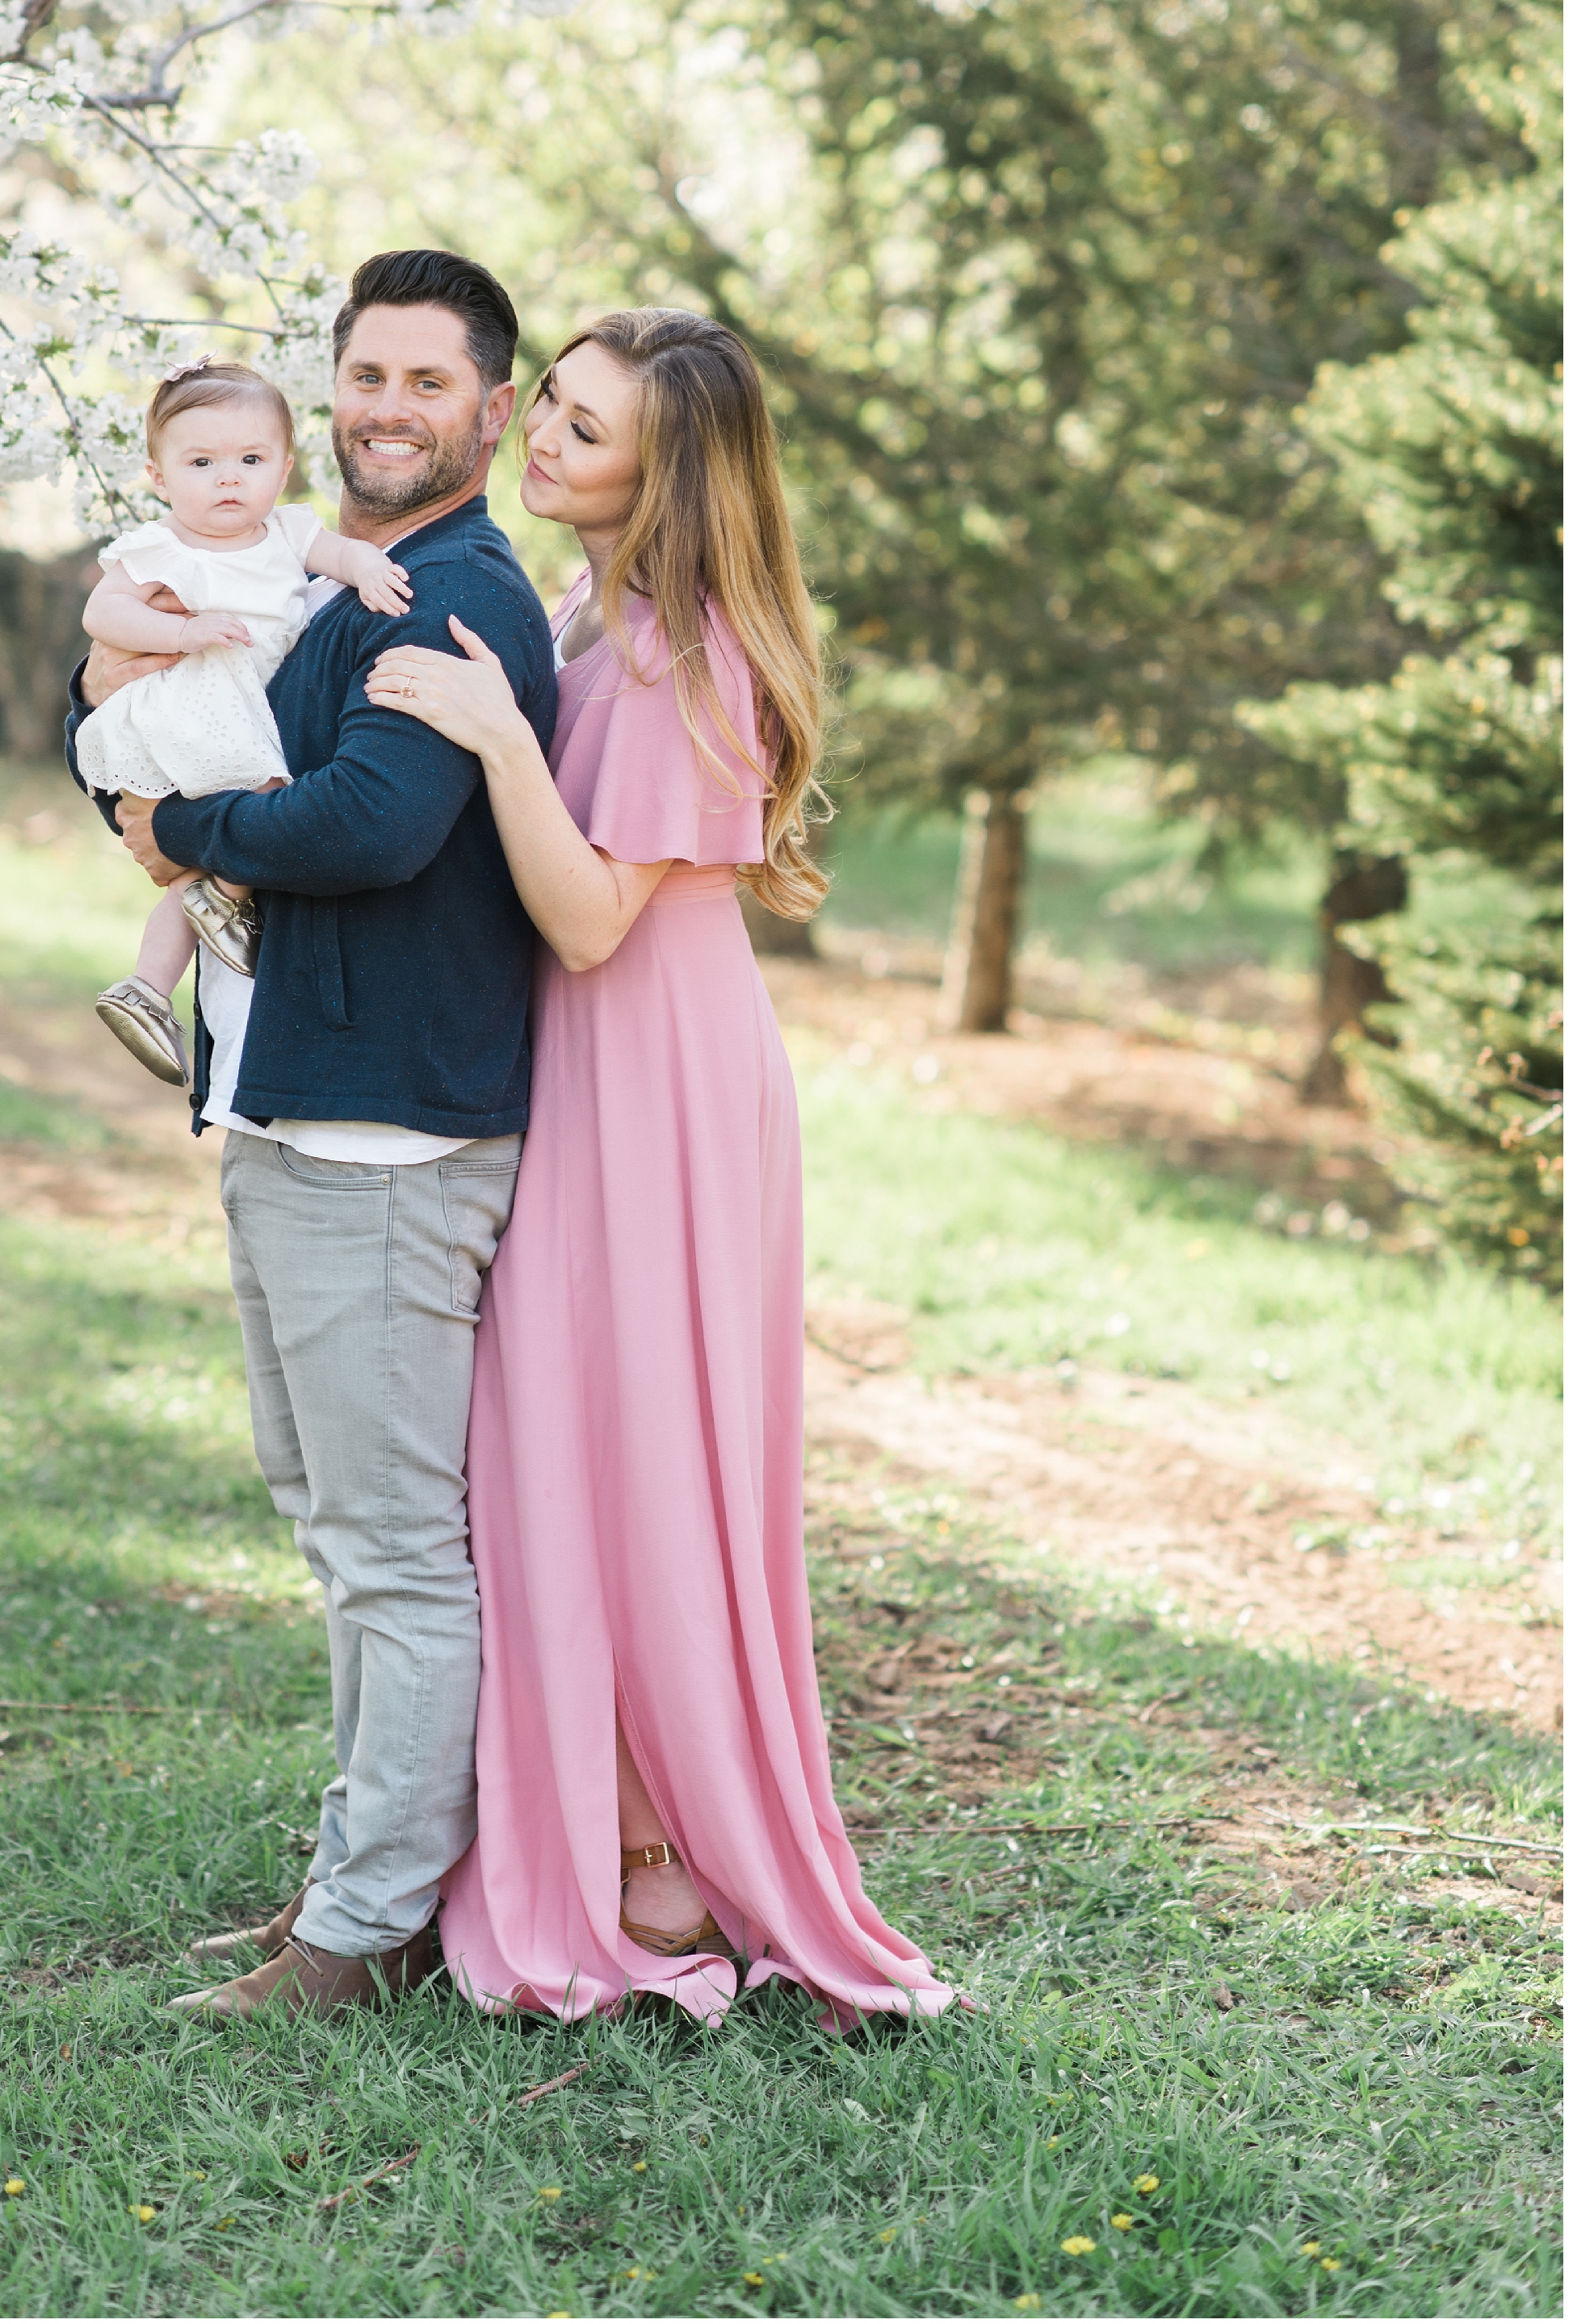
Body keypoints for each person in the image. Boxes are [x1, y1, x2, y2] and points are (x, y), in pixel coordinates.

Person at [363, 307, 959, 2030]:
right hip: (577, 1064)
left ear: (665, 470)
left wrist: (485, 733)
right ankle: (596, 1810)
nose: (537, 437)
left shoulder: (688, 656)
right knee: (556, 1440)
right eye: (543, 404)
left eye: (582, 426)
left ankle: (653, 1842)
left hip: (658, 1081)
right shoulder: (582, 611)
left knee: (632, 1449)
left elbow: (589, 914)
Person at [64, 250, 558, 2021]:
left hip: (386, 1143)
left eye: (429, 383)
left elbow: (363, 826)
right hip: (287, 1108)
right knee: (329, 1518)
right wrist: (129, 773)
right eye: (364, 374)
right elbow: (115, 692)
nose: (384, 410)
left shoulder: (461, 593)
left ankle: (362, 1935)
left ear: (489, 411)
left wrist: (164, 815)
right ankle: (357, 1888)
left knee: (390, 1548)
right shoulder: (318, 568)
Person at [76, 358, 413, 1089]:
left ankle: (146, 986)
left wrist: (368, 569)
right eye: (202, 462)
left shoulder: (287, 532)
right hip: (192, 701)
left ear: (285, 468)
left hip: (244, 714)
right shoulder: (163, 546)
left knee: (199, 860)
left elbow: (343, 552)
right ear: (159, 477)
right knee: (262, 800)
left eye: (251, 460)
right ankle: (226, 902)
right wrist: (183, 631)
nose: (229, 479)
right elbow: (103, 613)